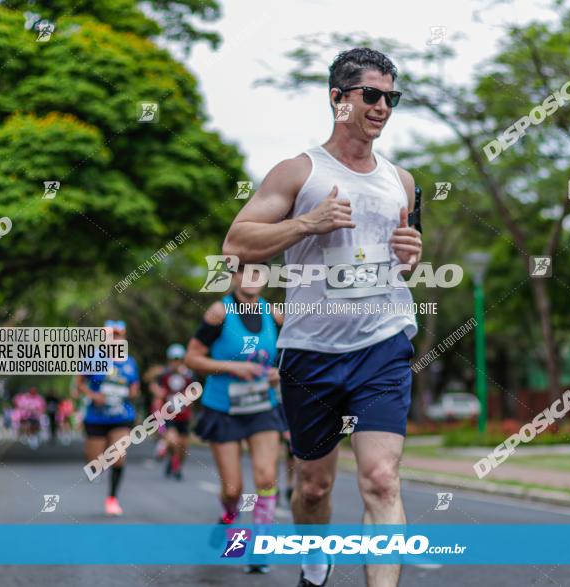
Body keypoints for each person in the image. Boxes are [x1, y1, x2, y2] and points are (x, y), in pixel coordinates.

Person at [222, 48, 420, 587]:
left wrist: (410, 254)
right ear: (338, 99)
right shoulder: (299, 172)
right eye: (371, 96)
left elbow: (403, 256)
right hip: (311, 351)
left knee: (381, 480)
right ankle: (315, 565)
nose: (382, 107)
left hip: (382, 345)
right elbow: (236, 244)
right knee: (313, 485)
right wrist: (306, 223)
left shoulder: (401, 181)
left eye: (391, 98)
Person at [185, 271, 286, 575]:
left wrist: (279, 372)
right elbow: (193, 358)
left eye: (260, 271)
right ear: (234, 276)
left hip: (262, 407)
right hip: (224, 408)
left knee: (266, 477)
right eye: (246, 270)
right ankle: (228, 516)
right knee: (233, 490)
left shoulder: (275, 314)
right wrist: (231, 366)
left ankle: (259, 550)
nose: (253, 277)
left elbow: (291, 355)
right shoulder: (219, 312)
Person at [75, 320, 140, 516]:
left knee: (119, 458)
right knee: (95, 462)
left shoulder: (130, 363)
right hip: (96, 418)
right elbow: (79, 384)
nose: (115, 339)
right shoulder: (93, 358)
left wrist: (125, 392)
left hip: (121, 417)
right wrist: (95, 396)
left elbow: (134, 389)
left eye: (119, 335)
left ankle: (112, 499)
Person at [153, 344, 195, 480]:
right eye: (173, 359)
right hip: (169, 416)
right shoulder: (164, 374)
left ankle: (175, 464)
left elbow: (195, 392)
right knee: (172, 440)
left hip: (184, 416)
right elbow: (153, 385)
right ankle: (173, 463)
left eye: (178, 359)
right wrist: (158, 393)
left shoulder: (189, 375)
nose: (176, 362)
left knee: (183, 447)